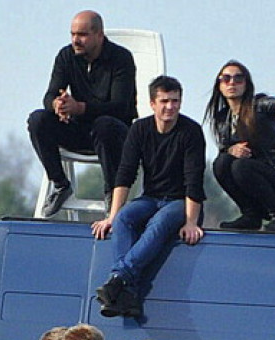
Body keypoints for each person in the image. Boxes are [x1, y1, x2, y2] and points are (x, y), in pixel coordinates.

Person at [93, 75, 207, 319]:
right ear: (152, 103)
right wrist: (112, 216)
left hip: (182, 202)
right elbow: (125, 174)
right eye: (164, 101)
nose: (170, 107)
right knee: (124, 219)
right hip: (151, 197)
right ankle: (129, 293)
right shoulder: (140, 129)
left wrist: (190, 222)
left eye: (175, 101)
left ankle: (118, 278)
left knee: (159, 223)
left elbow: (194, 181)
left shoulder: (191, 132)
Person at [28, 10, 137, 218]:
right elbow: (50, 94)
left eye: (82, 35)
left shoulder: (121, 58)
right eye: (73, 34)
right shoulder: (66, 56)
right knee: (37, 120)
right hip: (79, 130)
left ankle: (113, 194)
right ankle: (60, 184)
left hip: (115, 134)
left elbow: (120, 107)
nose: (75, 40)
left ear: (99, 35)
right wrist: (58, 105)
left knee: (105, 125)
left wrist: (80, 108)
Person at [204, 60, 275, 232]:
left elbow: (273, 104)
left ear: (246, 84)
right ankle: (251, 215)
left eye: (238, 79)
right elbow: (225, 151)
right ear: (219, 85)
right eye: (226, 79)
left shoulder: (258, 106)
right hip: (256, 184)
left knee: (241, 166)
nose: (232, 83)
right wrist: (231, 150)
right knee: (221, 163)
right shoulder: (222, 119)